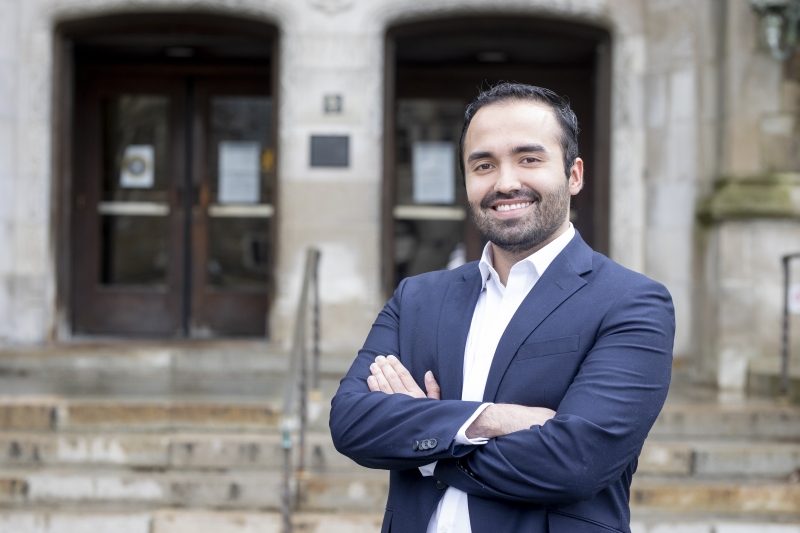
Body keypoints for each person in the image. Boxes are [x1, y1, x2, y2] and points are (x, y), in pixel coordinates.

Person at [329, 83, 675, 533]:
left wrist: (430, 446)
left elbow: (576, 461)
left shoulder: (631, 302)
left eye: (529, 159)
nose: (505, 182)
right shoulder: (417, 298)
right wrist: (492, 420)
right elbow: (352, 423)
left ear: (573, 174)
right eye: (484, 164)